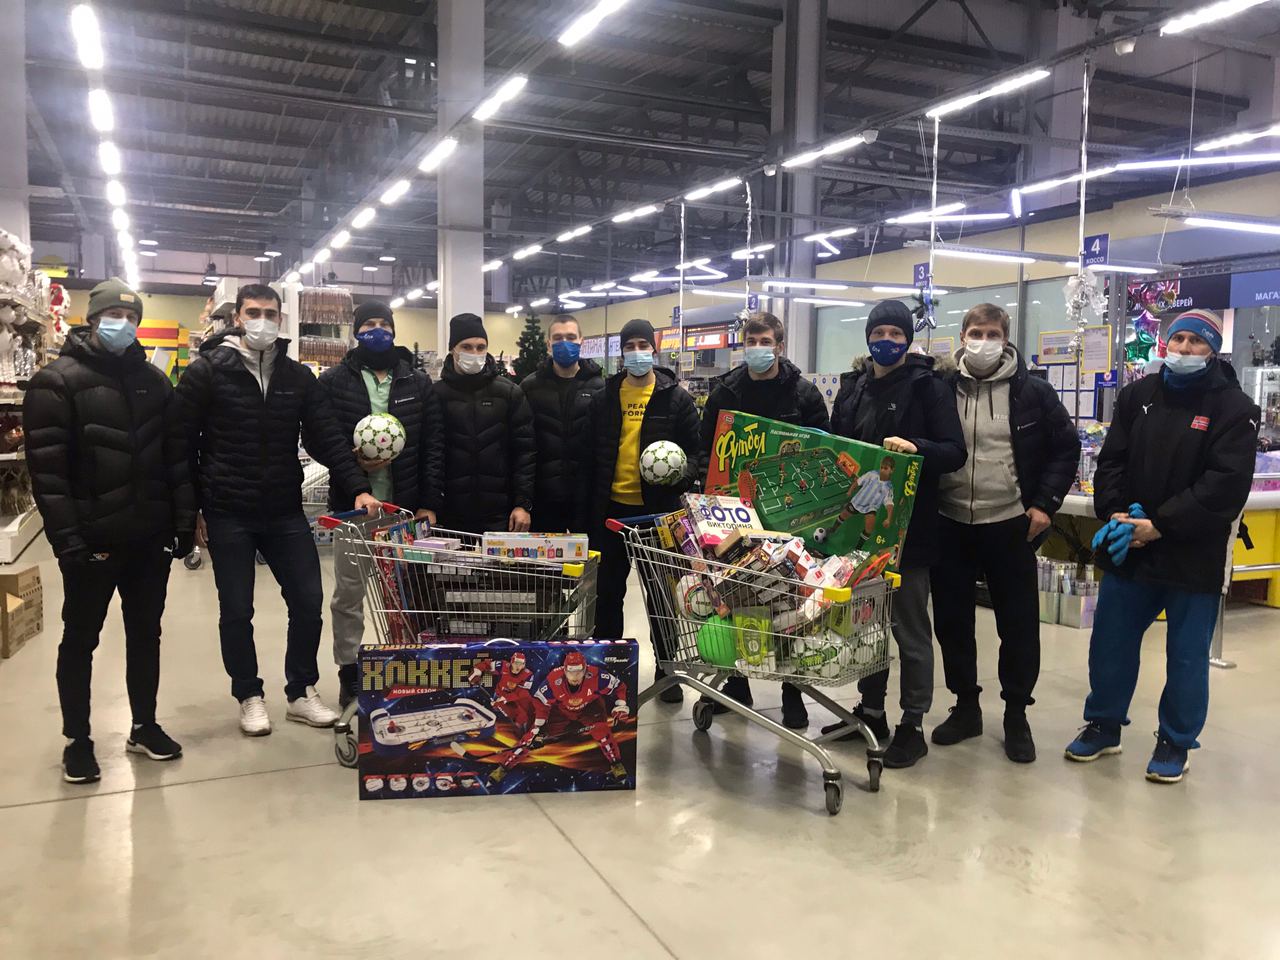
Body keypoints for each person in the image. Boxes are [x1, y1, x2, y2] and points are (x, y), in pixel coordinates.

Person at [1065, 310, 1259, 783]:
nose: (1185, 348)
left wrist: (1162, 524)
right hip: (1131, 545)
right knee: (1110, 643)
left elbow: (1225, 484)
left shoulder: (1234, 408)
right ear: (1165, 344)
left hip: (1193, 553)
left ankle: (1175, 741)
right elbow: (1112, 461)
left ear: (1212, 349)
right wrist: (1115, 512)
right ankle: (1104, 724)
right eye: (1178, 339)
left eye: (1196, 341)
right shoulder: (1138, 396)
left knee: (1187, 656)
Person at [176, 283, 378, 736]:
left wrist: (358, 488)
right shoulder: (207, 372)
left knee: (307, 601)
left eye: (270, 313)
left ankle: (301, 691)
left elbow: (326, 437)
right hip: (227, 510)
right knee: (236, 609)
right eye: (253, 312)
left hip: (284, 509)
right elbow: (181, 445)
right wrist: (191, 512)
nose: (262, 321)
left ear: (281, 319)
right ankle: (249, 694)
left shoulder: (296, 377)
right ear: (237, 318)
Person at [26, 278, 196, 784]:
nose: (122, 324)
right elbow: (48, 473)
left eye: (131, 316)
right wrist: (67, 539)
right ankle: (78, 739)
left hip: (149, 538)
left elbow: (176, 459)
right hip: (91, 540)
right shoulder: (56, 382)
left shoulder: (154, 382)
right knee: (81, 638)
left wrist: (182, 523)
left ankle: (143, 725)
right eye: (113, 315)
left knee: (146, 633)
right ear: (93, 318)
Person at [819, 300, 966, 767]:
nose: (887, 341)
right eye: (879, 332)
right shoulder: (854, 387)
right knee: (866, 626)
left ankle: (913, 724)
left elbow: (954, 451)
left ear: (908, 339)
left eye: (896, 334)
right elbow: (836, 443)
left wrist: (915, 447)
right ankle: (871, 712)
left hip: (910, 533)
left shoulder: (929, 388)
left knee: (910, 630)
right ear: (868, 337)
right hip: (859, 535)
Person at [930, 303, 1079, 763]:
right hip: (950, 519)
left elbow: (1065, 447)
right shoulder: (940, 387)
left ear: (1006, 339)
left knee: (1018, 625)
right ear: (962, 336)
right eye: (976, 332)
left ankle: (1016, 713)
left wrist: (1045, 503)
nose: (983, 341)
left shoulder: (1032, 392)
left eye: (992, 333)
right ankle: (966, 707)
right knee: (952, 622)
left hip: (1010, 522)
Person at [699, 311, 829, 727]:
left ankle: (793, 692)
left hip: (790, 515)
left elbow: (824, 445)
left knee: (790, 602)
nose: (757, 348)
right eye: (751, 341)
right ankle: (737, 683)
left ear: (780, 345)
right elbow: (705, 448)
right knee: (735, 593)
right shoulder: (725, 392)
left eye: (765, 341)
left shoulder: (803, 394)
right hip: (735, 515)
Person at [316, 300, 444, 707]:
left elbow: (432, 445)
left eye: (383, 324)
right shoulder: (335, 381)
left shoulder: (417, 382)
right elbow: (325, 440)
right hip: (355, 510)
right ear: (356, 331)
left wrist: (427, 502)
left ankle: (409, 664)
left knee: (409, 595)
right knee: (349, 595)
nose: (377, 330)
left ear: (394, 329)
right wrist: (357, 477)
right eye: (368, 324)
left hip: (405, 512)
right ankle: (349, 671)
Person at [589, 319, 703, 702]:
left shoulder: (676, 399)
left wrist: (679, 476)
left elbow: (696, 454)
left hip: (658, 517)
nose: (637, 352)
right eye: (630, 345)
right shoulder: (605, 397)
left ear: (654, 349)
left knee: (661, 599)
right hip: (612, 515)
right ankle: (609, 671)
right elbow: (590, 456)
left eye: (643, 344)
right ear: (622, 352)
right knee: (608, 596)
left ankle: (667, 672)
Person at [434, 313, 536, 534]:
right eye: (466, 347)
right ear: (452, 350)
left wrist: (522, 503)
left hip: (500, 513)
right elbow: (431, 453)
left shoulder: (509, 393)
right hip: (449, 513)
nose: (474, 353)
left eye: (481, 347)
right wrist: (429, 503)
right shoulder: (436, 394)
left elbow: (525, 452)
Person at [519, 315, 605, 532]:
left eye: (571, 337)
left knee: (588, 554)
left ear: (581, 341)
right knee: (543, 555)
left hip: (585, 498)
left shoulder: (600, 388)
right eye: (558, 338)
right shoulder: (530, 387)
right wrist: (523, 500)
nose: (564, 343)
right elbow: (522, 445)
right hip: (543, 498)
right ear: (548, 344)